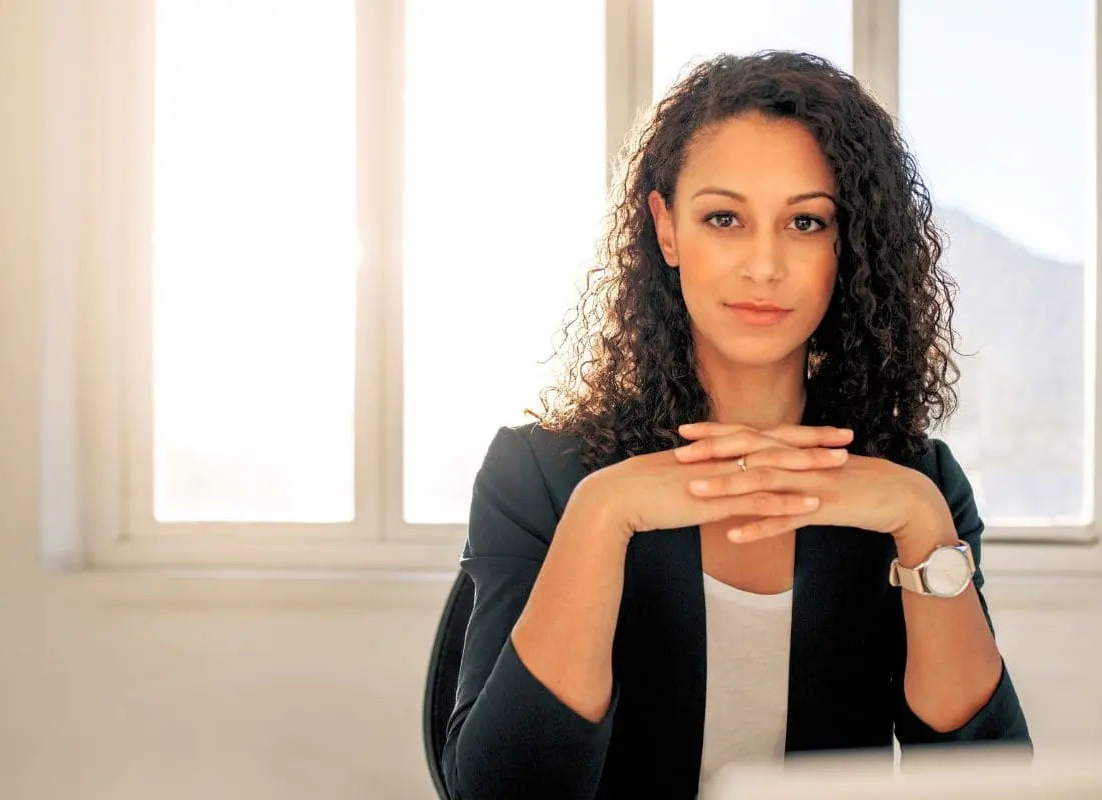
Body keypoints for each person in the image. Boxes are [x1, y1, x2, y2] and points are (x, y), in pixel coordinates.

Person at [440, 51, 1031, 800]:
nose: (764, 265)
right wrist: (602, 514)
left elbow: (984, 784)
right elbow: (501, 792)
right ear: (666, 229)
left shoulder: (918, 485)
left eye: (806, 222)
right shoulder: (539, 475)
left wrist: (921, 521)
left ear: (845, 246)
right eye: (724, 218)